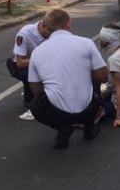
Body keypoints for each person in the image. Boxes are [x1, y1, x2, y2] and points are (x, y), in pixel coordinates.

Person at [28, 9, 109, 149]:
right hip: (88, 110)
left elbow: (35, 88)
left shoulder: (37, 52)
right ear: (69, 25)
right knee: (95, 76)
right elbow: (103, 77)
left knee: (35, 104)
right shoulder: (86, 43)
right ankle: (89, 126)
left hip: (56, 113)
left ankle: (62, 127)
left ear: (46, 28)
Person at [8, 19, 51, 120]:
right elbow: (20, 63)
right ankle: (36, 100)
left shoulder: (52, 33)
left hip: (43, 64)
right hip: (25, 66)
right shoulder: (25, 34)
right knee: (33, 75)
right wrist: (39, 59)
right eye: (50, 32)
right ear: (43, 26)